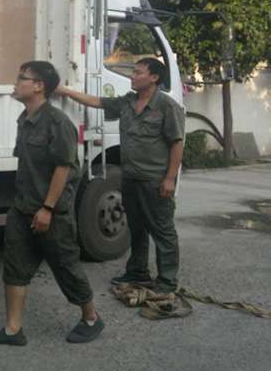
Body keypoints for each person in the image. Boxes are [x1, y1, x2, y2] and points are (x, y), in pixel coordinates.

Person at [0, 61, 104, 347]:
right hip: (23, 207)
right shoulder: (25, 119)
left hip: (51, 212)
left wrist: (47, 208)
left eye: (21, 78)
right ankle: (13, 330)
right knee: (14, 267)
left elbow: (63, 167)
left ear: (38, 86)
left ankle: (91, 317)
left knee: (66, 266)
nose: (15, 83)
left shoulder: (58, 123)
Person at [55, 57, 185, 293]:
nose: (132, 76)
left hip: (154, 180)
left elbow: (177, 143)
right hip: (131, 177)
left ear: (154, 77)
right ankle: (138, 272)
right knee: (136, 228)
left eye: (138, 72)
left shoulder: (167, 107)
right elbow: (97, 101)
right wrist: (64, 91)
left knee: (162, 231)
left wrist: (169, 179)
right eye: (133, 72)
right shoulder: (128, 101)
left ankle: (167, 281)